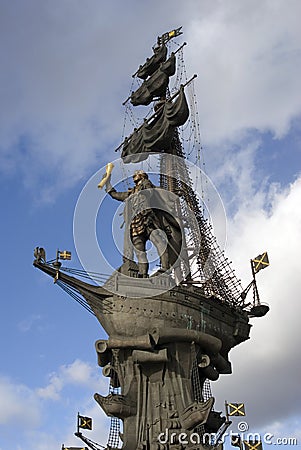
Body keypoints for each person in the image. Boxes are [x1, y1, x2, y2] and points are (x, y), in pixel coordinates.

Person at [106, 170, 175, 277]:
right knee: (139, 250)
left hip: (148, 219)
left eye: (137, 173)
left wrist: (143, 188)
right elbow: (116, 195)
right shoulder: (131, 193)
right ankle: (143, 274)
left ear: (142, 176)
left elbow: (150, 192)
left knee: (159, 242)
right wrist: (107, 183)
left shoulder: (146, 185)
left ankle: (165, 268)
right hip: (135, 222)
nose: (134, 175)